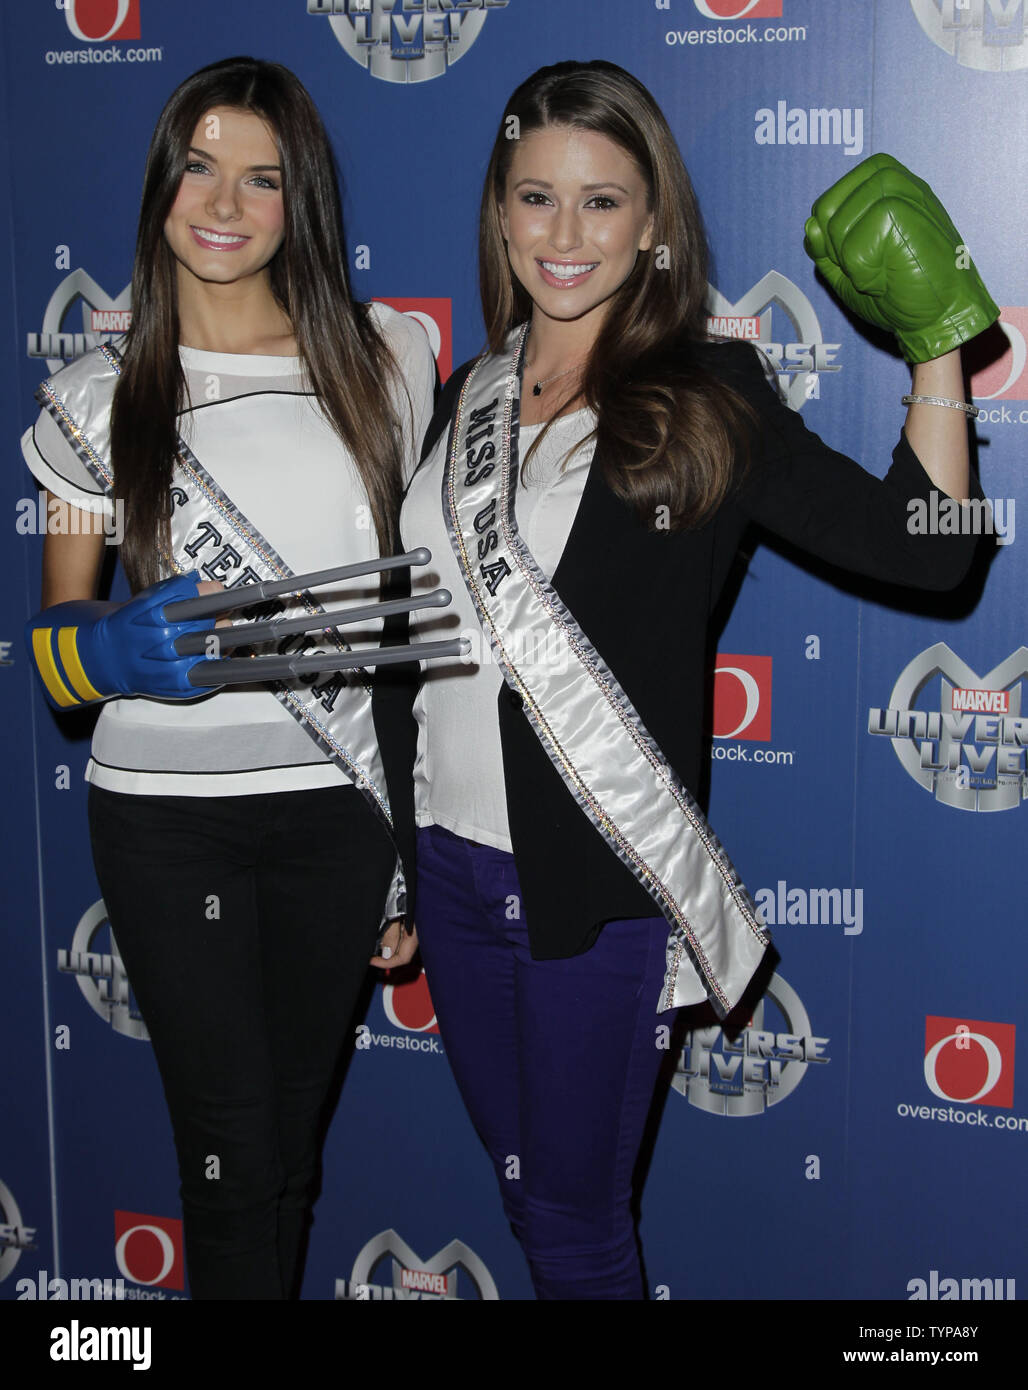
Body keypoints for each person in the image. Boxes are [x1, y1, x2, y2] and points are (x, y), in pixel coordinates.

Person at [376, 60, 997, 1300]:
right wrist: (395, 861)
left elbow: (922, 559)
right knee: (524, 1200)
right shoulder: (466, 395)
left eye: (601, 203)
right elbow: (420, 654)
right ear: (498, 210)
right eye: (535, 197)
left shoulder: (707, 393)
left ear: (652, 223)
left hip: (593, 886)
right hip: (448, 869)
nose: (563, 234)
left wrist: (936, 345)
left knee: (574, 1224)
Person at [22, 57, 436, 1299]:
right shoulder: (95, 401)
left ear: (298, 201)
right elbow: (53, 652)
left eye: (260, 177)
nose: (222, 202)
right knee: (225, 1154)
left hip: (335, 822)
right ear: (159, 184)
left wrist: (402, 849)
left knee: (288, 1155)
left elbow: (404, 653)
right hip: (166, 833)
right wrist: (102, 651)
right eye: (198, 166)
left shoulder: (389, 363)